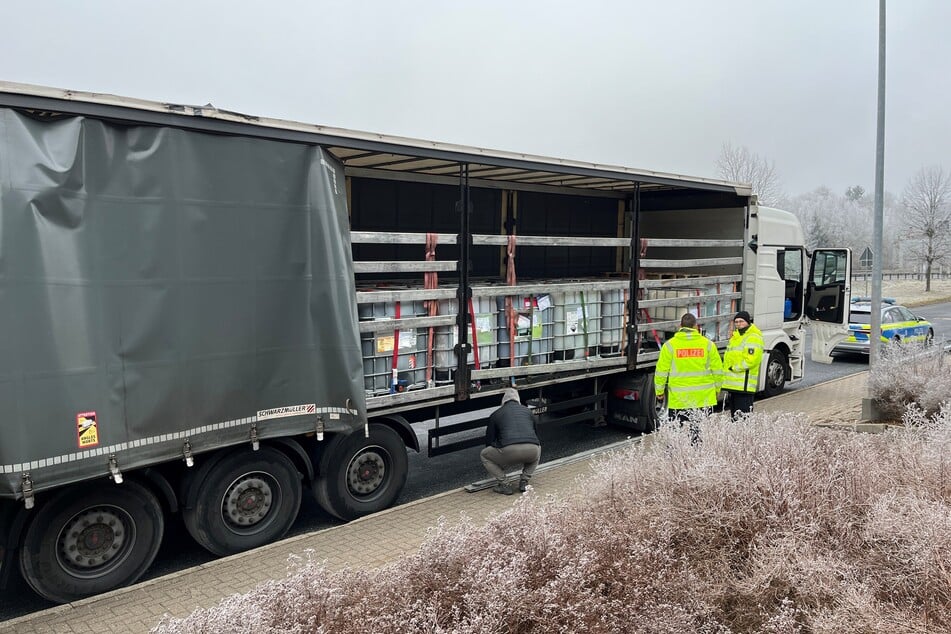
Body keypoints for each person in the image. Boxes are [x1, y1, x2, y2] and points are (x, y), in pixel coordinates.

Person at [653, 312, 723, 443]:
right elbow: (718, 371)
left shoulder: (670, 345)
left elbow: (661, 371)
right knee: (699, 434)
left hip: (679, 400)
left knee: (677, 435)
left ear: (680, 326)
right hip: (703, 399)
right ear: (696, 326)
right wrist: (717, 390)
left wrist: (659, 392)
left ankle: (678, 460)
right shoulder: (708, 345)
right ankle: (697, 459)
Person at [481, 388, 541, 495]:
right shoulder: (528, 412)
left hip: (508, 450)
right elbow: (536, 435)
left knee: (484, 455)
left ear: (503, 401)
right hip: (531, 450)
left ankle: (505, 484)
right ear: (518, 400)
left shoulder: (496, 414)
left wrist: (500, 458)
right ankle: (524, 481)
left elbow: (489, 440)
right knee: (538, 448)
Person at [721, 310, 764, 420]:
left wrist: (735, 368)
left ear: (748, 322)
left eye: (741, 321)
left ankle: (744, 437)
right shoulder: (736, 337)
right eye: (736, 322)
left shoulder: (753, 337)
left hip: (744, 386)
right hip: (734, 386)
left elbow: (751, 360)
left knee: (743, 418)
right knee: (735, 417)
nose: (738, 324)